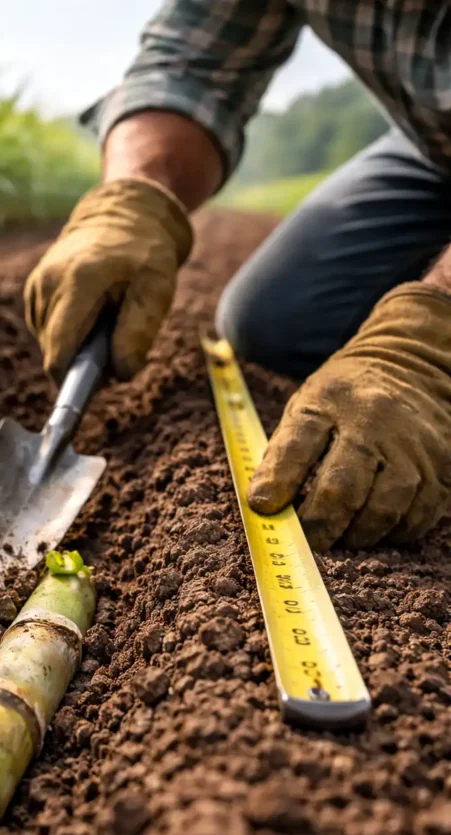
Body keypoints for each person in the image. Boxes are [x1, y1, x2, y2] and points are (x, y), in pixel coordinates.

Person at [24, 2, 451, 552]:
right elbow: (193, 64)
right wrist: (131, 199)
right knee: (274, 321)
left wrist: (425, 350)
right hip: (432, 148)